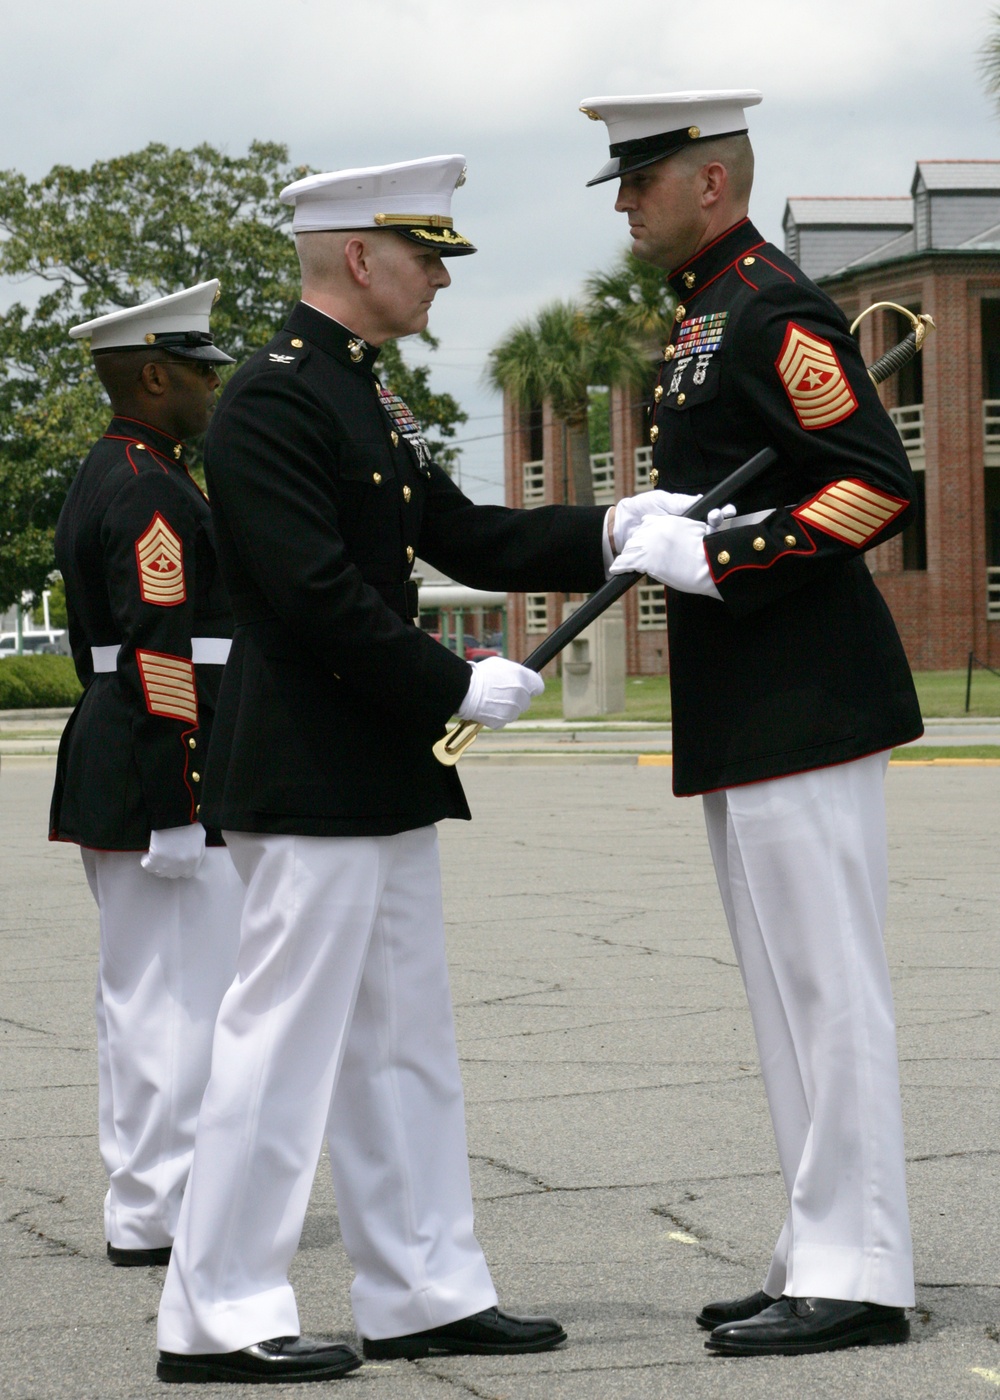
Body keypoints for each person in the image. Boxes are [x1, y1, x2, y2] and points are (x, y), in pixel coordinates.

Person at [155, 155, 612, 1385]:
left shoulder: (367, 394)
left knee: (403, 1038)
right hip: (306, 770)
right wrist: (452, 681)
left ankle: (423, 1286)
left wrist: (618, 526)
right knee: (280, 1041)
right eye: (425, 257)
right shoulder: (271, 399)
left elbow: (459, 530)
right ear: (359, 256)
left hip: (377, 770)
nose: (439, 280)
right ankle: (215, 1309)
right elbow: (306, 595)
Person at [583, 91, 922, 1356]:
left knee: (828, 990)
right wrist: (675, 515)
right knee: (786, 994)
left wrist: (725, 551)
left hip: (806, 693)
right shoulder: (704, 309)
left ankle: (865, 1268)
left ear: (709, 183)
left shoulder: (772, 303)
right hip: (751, 699)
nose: (624, 201)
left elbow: (874, 482)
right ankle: (817, 1243)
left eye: (639, 179)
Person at [49, 283, 244, 1267]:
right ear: (154, 375)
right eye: (201, 373)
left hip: (127, 756)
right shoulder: (148, 487)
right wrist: (183, 800)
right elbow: (159, 648)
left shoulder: (125, 470)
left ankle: (153, 1194)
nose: (214, 389)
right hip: (153, 768)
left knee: (146, 995)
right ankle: (160, 1207)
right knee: (173, 1000)